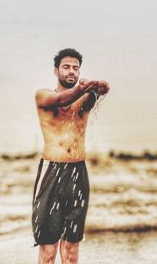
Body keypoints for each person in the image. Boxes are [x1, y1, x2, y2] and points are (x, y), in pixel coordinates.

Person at [32, 48, 109, 264]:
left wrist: (99, 87)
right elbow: (63, 99)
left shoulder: (84, 99)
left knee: (72, 250)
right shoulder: (43, 95)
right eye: (66, 67)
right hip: (52, 172)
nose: (71, 71)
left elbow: (100, 92)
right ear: (56, 70)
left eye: (75, 68)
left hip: (78, 172)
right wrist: (82, 87)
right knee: (48, 250)